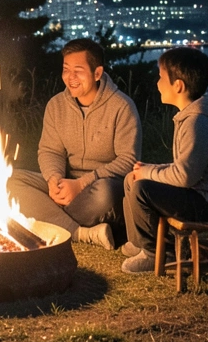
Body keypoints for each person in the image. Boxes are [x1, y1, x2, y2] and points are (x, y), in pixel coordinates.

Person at [7, 38, 140, 248]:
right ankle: (81, 232)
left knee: (105, 194)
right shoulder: (56, 105)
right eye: (66, 70)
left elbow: (128, 160)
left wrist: (81, 184)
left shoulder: (121, 107)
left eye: (78, 70)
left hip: (99, 187)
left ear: (97, 73)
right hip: (66, 183)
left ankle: (50, 217)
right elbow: (50, 150)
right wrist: (54, 180)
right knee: (8, 180)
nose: (70, 78)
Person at [120, 46, 208, 273]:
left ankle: (157, 254)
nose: (157, 83)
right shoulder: (190, 117)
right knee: (131, 178)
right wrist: (147, 168)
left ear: (178, 85)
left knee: (142, 188)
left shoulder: (198, 124)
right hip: (202, 193)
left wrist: (148, 174)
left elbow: (184, 176)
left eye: (161, 77)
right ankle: (140, 242)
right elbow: (186, 167)